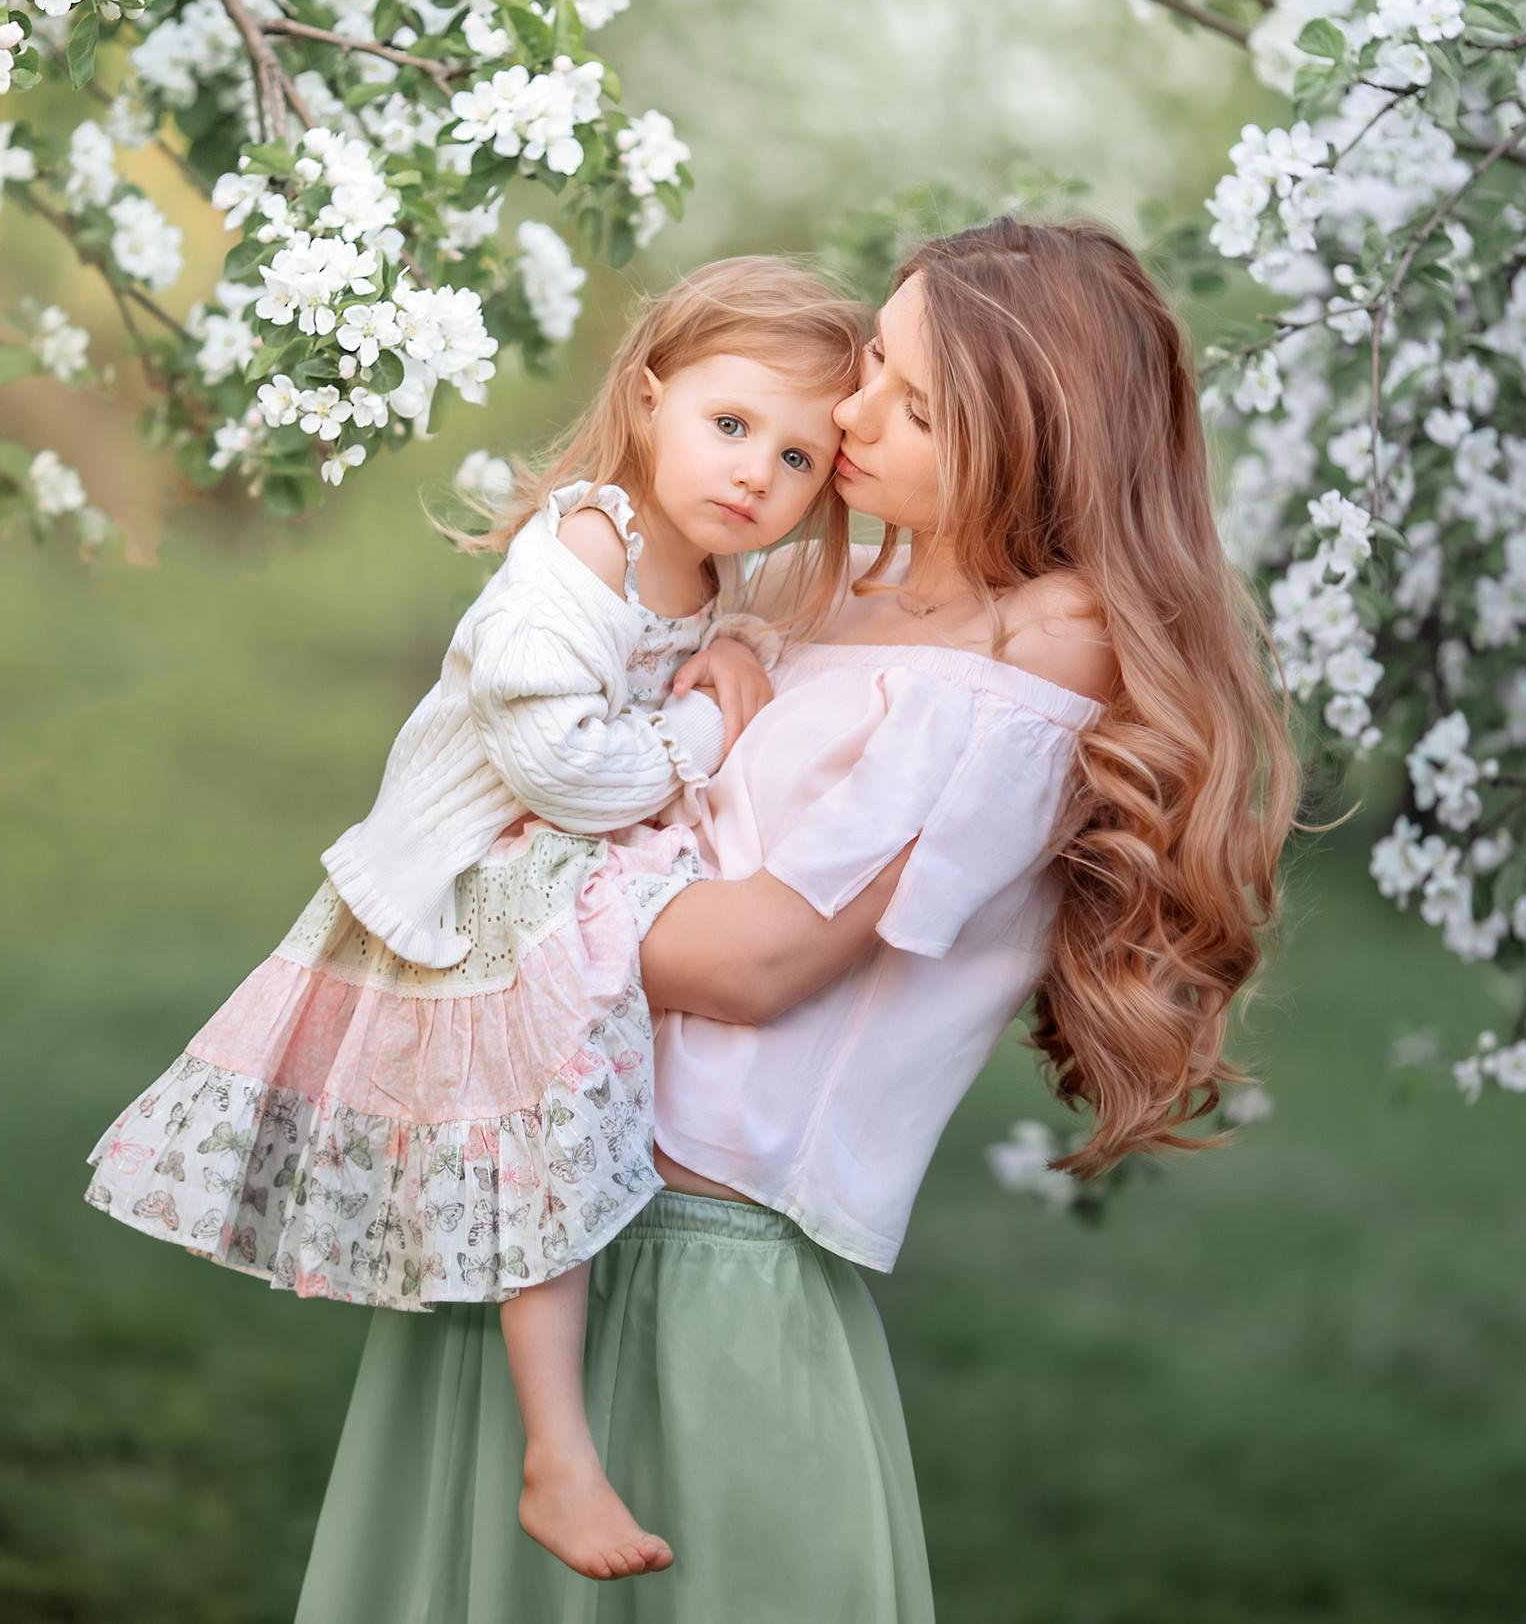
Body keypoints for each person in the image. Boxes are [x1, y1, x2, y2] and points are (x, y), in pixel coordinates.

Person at [292, 217, 1299, 1623]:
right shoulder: (821, 587)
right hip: (536, 1211)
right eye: (872, 362)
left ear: (1036, 438)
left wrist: (477, 905)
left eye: (915, 403)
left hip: (703, 1269)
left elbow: (754, 961)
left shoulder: (1038, 646)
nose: (847, 414)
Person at [86, 258, 873, 1579]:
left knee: (582, 1074)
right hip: (479, 872)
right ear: (651, 393)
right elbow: (560, 767)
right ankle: (556, 1453)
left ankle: (585, 1388)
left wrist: (736, 660)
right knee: (543, 1106)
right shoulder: (582, 547)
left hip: (570, 858)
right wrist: (695, 730)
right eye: (732, 425)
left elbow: (747, 666)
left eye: (797, 458)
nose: (755, 473)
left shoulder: (713, 573)